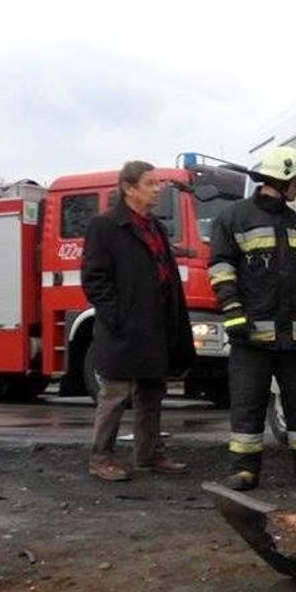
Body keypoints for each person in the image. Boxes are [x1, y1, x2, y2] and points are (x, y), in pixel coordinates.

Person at [208, 145, 296, 489]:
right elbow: (221, 269)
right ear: (282, 179)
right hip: (250, 335)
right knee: (247, 403)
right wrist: (233, 312)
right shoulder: (234, 218)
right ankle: (244, 469)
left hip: (293, 335)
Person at [81, 160, 196, 482]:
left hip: (155, 325)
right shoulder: (105, 226)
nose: (157, 188)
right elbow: (94, 279)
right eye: (150, 183)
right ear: (129, 188)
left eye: (157, 183)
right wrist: (117, 316)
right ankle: (100, 457)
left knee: (151, 391)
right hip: (124, 326)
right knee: (116, 393)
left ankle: (148, 455)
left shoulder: (154, 226)